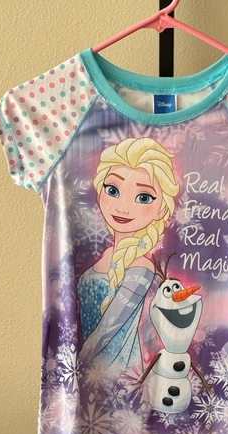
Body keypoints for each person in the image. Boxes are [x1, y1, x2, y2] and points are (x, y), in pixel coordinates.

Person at [77, 137, 180, 374]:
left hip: (119, 377)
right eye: (113, 190)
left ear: (162, 209)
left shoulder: (141, 269)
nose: (123, 207)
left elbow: (106, 331)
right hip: (93, 375)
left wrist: (76, 368)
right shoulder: (107, 255)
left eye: (143, 197)